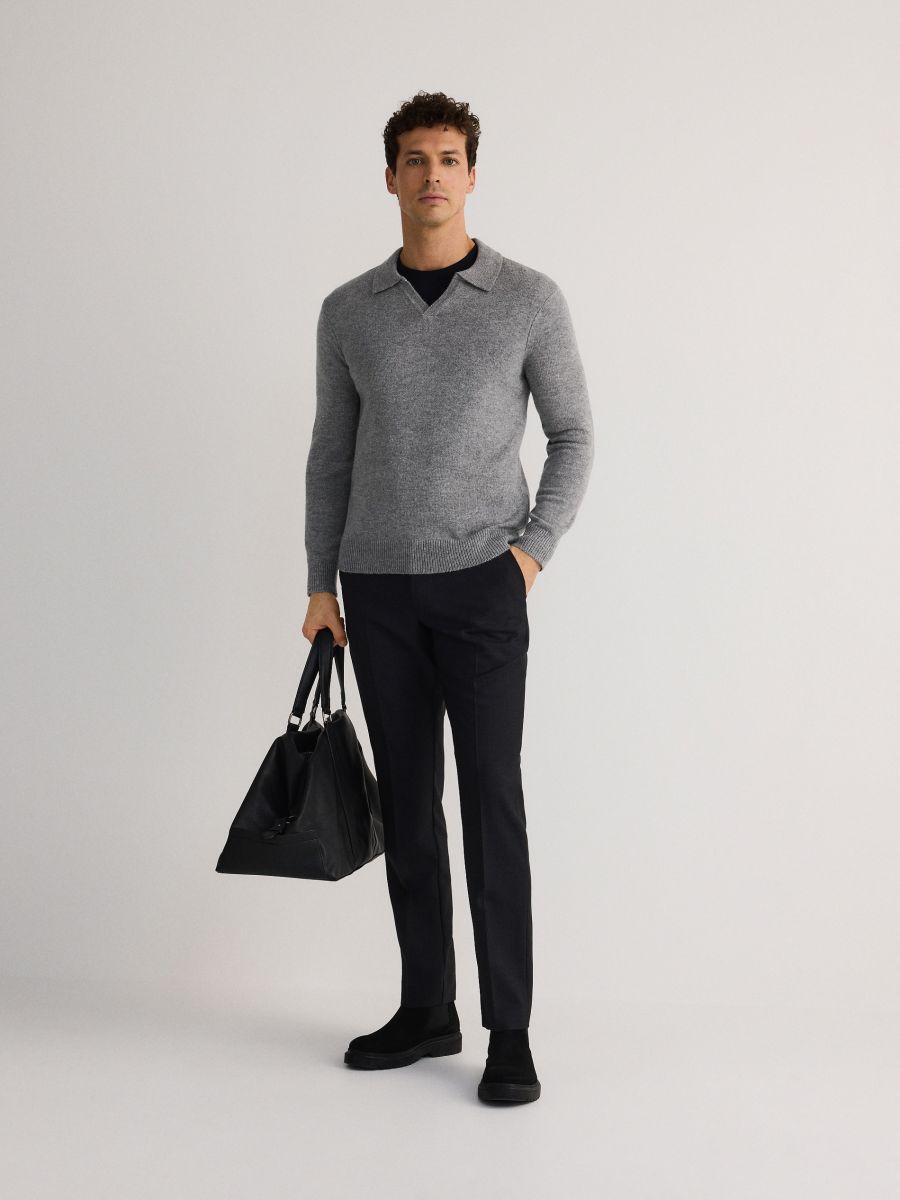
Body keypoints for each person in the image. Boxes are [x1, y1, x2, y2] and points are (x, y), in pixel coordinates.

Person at [301, 90, 594, 1105]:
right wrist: (320, 583)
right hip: (377, 592)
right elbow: (331, 457)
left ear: (472, 175)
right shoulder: (348, 311)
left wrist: (529, 557)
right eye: (415, 159)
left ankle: (509, 1031)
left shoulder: (528, 299)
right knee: (409, 809)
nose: (433, 175)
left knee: (491, 803)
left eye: (450, 158)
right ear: (390, 177)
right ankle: (426, 1007)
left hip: (482, 589)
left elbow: (575, 435)